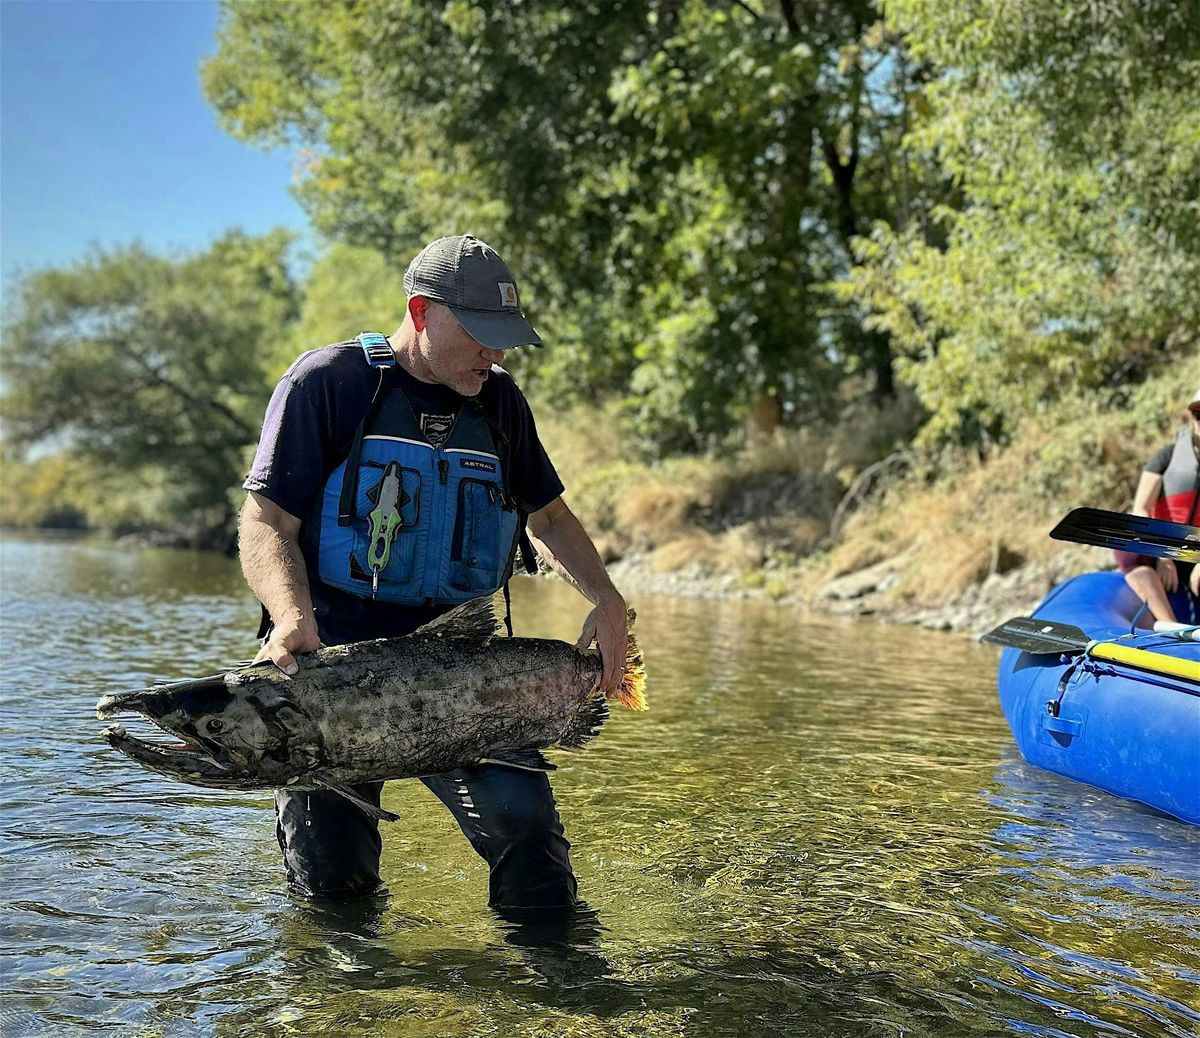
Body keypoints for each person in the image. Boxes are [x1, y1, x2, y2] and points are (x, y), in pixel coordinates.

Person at [237, 234, 629, 906]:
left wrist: (608, 599)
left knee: (529, 837)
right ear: (421, 313)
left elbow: (551, 520)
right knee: (333, 885)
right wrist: (291, 617)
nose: (497, 352)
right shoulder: (327, 384)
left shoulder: (500, 402)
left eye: (505, 335)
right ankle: (345, 1002)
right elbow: (267, 522)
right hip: (328, 673)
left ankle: (567, 994)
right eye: (481, 333)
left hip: (466, 674)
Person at [1115, 389, 1200, 624]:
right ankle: (1170, 627)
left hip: (1196, 550)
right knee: (1126, 548)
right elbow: (1141, 508)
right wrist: (1162, 554)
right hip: (1163, 545)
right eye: (1198, 413)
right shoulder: (1167, 456)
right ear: (1191, 418)